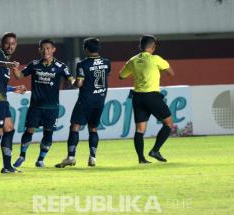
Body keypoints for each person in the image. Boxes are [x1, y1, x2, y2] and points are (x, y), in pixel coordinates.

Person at [12, 39, 74, 168]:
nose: (45, 51)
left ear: (53, 50)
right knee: (29, 130)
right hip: (35, 107)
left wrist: (78, 82)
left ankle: (40, 159)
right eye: (42, 48)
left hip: (52, 107)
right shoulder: (34, 64)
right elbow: (19, 76)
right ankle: (22, 156)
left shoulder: (61, 66)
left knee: (48, 133)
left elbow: (71, 79)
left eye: (48, 48)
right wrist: (13, 68)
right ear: (39, 50)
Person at [119, 35, 175, 163]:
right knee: (168, 123)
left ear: (140, 46)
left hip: (137, 97)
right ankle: (155, 150)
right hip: (152, 96)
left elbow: (121, 76)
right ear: (153, 47)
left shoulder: (132, 60)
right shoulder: (156, 59)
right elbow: (171, 73)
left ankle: (141, 159)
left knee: (140, 130)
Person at [56, 37, 111, 168]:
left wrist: (72, 80)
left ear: (86, 49)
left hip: (86, 100)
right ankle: (92, 158)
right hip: (100, 99)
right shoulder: (107, 62)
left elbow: (79, 84)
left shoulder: (83, 64)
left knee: (75, 126)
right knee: (93, 128)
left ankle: (71, 157)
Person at [0, 32, 26, 173]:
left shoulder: (5, 61)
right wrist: (7, 63)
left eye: (13, 43)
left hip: (1, 98)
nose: (10, 46)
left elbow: (0, 85)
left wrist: (14, 88)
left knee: (9, 129)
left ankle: (7, 167)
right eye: (7, 43)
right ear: (2, 44)